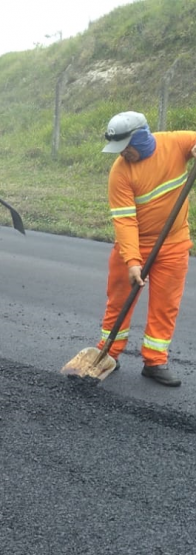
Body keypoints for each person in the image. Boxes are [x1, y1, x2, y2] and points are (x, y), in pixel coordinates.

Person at [95, 111, 196, 387]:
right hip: (134, 244)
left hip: (173, 243)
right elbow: (124, 220)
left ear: (141, 137)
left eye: (127, 147)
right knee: (118, 299)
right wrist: (132, 260)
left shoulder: (175, 143)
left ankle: (155, 361)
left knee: (165, 304)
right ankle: (108, 353)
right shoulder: (120, 172)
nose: (123, 154)